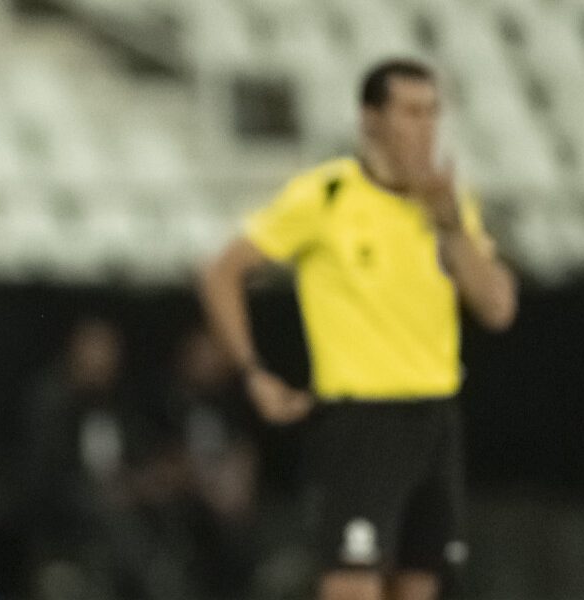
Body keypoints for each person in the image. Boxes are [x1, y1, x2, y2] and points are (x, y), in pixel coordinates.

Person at [200, 59, 517, 600]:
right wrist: (253, 372)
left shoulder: (448, 206)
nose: (425, 126)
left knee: (423, 586)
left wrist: (450, 226)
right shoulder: (325, 197)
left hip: (435, 418)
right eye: (410, 112)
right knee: (353, 586)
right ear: (371, 120)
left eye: (432, 112)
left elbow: (496, 309)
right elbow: (223, 270)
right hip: (361, 423)